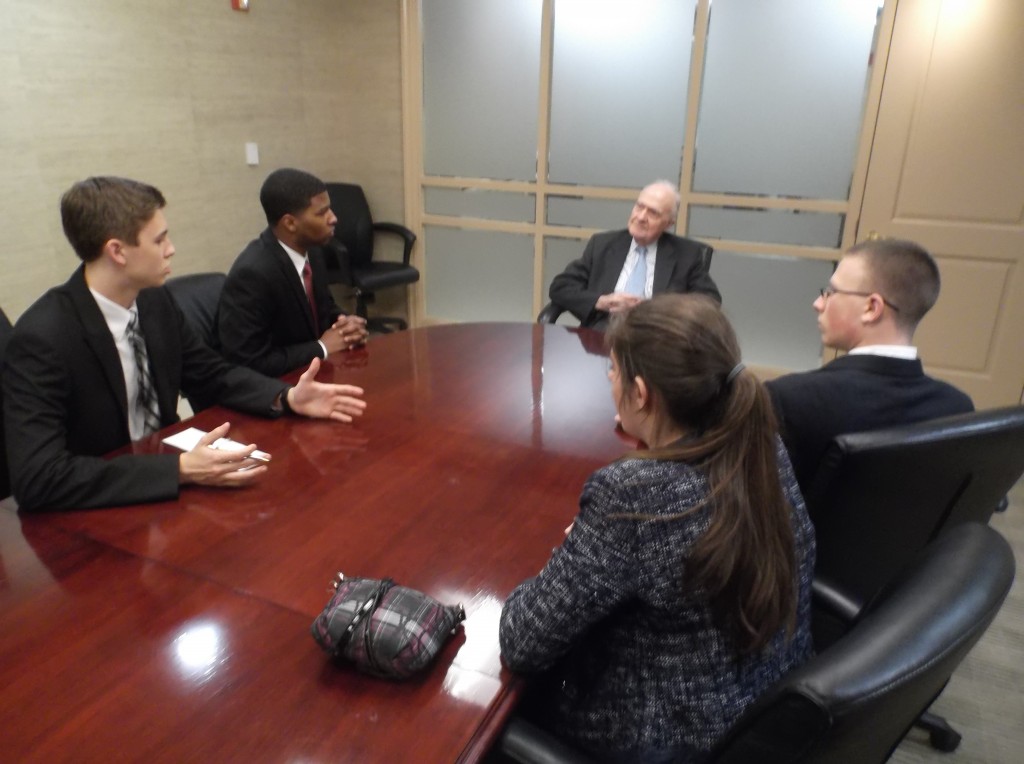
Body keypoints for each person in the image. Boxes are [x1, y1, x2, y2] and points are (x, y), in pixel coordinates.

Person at [499, 294, 815, 762]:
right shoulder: (761, 445)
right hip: (760, 707)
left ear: (642, 393)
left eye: (613, 372)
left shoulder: (634, 493)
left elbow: (522, 640)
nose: (610, 381)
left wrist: (573, 547)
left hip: (669, 738)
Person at [2, 176, 367, 512]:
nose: (171, 249)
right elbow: (39, 477)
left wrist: (285, 397)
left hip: (166, 484)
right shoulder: (43, 338)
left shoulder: (154, 301)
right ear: (117, 251)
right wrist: (176, 470)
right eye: (159, 239)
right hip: (99, 509)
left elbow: (211, 374)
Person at [766, 238, 973, 494]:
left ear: (871, 308)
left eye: (830, 292)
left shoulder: (787, 399)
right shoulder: (958, 407)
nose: (818, 303)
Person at [218, 168, 369, 377]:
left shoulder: (313, 251)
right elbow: (248, 362)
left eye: (330, 209)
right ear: (290, 223)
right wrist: (322, 347)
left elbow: (322, 309)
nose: (333, 218)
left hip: (315, 378)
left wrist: (344, 324)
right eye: (321, 213)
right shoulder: (253, 274)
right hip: (278, 393)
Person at [548, 181, 721, 329]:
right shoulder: (603, 244)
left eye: (653, 213)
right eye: (639, 206)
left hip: (658, 338)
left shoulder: (687, 254)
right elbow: (561, 287)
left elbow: (710, 301)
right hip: (603, 333)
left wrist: (658, 310)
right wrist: (601, 301)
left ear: (669, 223)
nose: (641, 217)